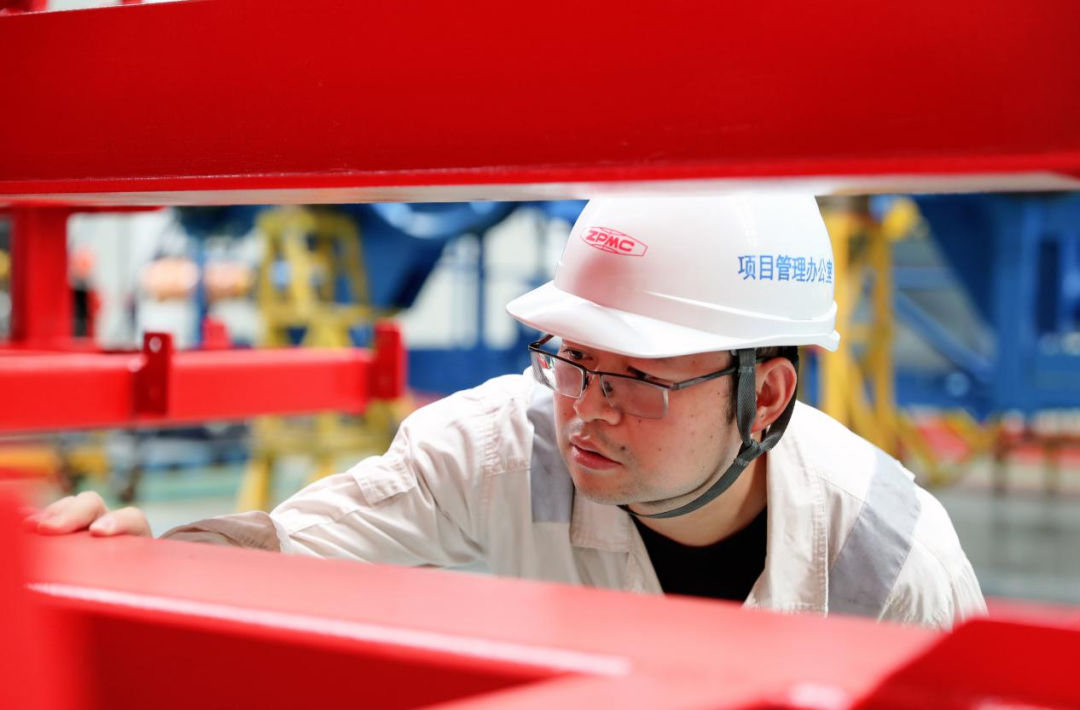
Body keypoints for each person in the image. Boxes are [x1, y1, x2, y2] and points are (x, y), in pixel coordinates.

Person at [26, 195, 985, 628]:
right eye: (572, 359)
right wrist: (145, 562)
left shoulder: (892, 563)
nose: (585, 413)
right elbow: (287, 544)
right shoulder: (502, 447)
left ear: (764, 396)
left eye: (636, 379)